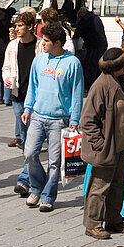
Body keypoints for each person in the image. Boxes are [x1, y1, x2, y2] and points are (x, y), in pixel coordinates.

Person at [22, 22, 84, 213]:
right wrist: (27, 108)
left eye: (47, 41)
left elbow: (77, 92)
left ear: (58, 43)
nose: (42, 43)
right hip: (38, 116)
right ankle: (36, 187)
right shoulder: (39, 60)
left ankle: (48, 195)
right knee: (29, 153)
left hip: (59, 120)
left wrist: (74, 119)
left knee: (55, 162)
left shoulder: (73, 63)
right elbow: (33, 86)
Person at [80, 46, 124, 239]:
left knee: (118, 184)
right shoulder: (101, 85)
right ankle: (93, 223)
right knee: (100, 186)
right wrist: (100, 144)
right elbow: (87, 119)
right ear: (116, 66)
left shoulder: (119, 81)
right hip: (106, 149)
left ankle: (113, 219)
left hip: (119, 147)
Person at [2, 10, 40, 192]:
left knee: (34, 139)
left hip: (37, 100)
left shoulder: (40, 45)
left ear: (30, 27)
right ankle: (29, 175)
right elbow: (6, 67)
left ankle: (26, 177)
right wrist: (7, 78)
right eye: (16, 25)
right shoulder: (12, 46)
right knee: (25, 138)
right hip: (18, 97)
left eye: (20, 25)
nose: (16, 28)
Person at [74, 4, 108, 91]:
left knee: (90, 65)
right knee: (99, 66)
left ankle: (91, 85)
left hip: (94, 45)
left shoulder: (85, 20)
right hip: (102, 44)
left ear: (81, 15)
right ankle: (100, 85)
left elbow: (77, 34)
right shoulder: (95, 17)